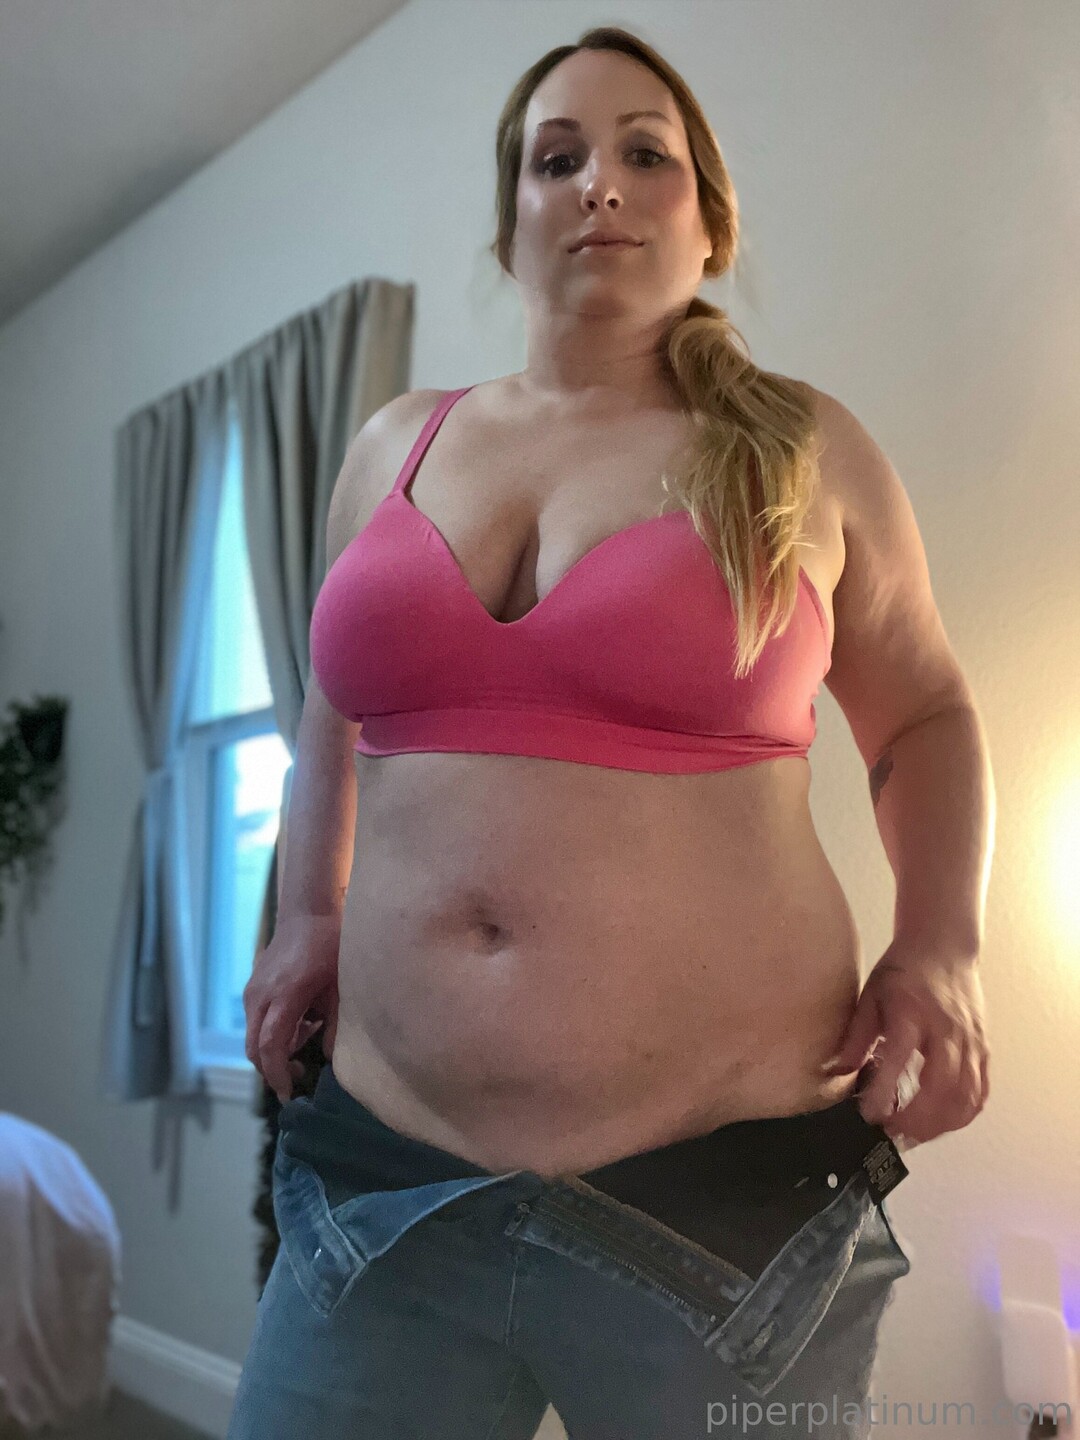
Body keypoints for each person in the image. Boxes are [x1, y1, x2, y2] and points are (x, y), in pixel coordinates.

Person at [230, 25, 992, 1440]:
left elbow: (929, 713)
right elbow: (333, 710)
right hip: (384, 1184)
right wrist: (306, 915)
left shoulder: (803, 450)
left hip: (717, 1214)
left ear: (710, 224)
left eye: (648, 154)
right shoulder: (392, 443)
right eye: (556, 158)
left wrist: (940, 944)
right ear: (509, 220)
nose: (599, 185)